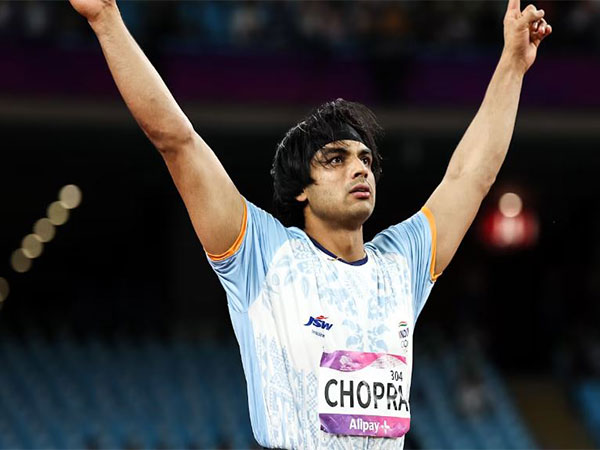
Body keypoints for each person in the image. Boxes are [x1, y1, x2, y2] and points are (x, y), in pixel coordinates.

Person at [67, 0, 552, 448]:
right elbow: (178, 141)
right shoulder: (262, 253)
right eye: (336, 159)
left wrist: (512, 64)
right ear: (301, 188)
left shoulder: (401, 266)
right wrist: (106, 19)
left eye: (365, 159)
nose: (359, 168)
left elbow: (470, 176)